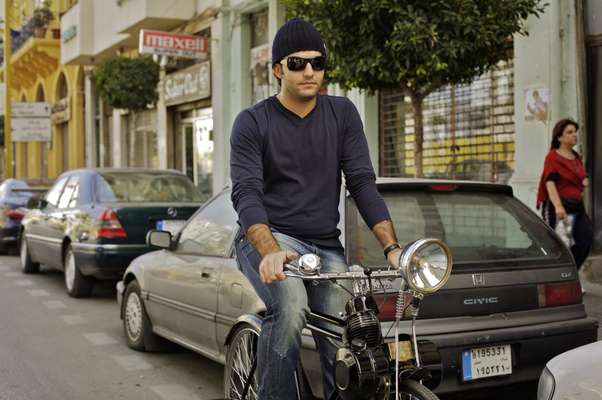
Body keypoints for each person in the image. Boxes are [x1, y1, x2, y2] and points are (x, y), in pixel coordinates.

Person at [230, 18, 403, 400]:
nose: (309, 71)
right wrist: (270, 251)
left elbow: (361, 183)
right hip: (266, 240)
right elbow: (246, 193)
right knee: (290, 308)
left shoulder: (342, 113)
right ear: (278, 69)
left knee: (346, 338)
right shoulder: (252, 122)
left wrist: (393, 248)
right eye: (297, 63)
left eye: (317, 62)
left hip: (324, 245)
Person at [537, 118, 592, 272]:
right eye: (570, 132)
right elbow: (550, 183)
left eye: (575, 132)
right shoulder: (553, 157)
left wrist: (584, 181)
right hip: (559, 207)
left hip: (577, 207)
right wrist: (559, 207)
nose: (574, 135)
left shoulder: (576, 157)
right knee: (558, 246)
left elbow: (580, 177)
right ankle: (555, 279)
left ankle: (571, 275)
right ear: (559, 137)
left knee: (585, 241)